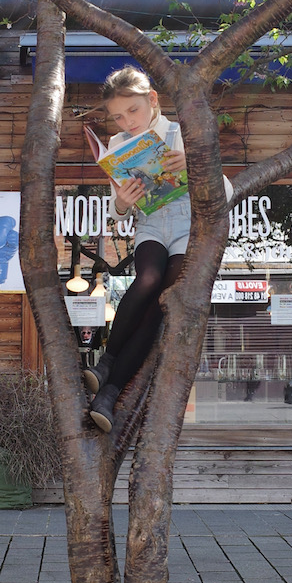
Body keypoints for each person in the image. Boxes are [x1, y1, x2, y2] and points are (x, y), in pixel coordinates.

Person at [84, 67, 229, 432]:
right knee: (147, 279)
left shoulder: (183, 135)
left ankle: (108, 387)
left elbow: (226, 193)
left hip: (186, 227)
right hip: (151, 224)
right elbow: (118, 216)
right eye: (118, 116)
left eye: (132, 110)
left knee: (163, 302)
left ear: (152, 100)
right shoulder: (119, 146)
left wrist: (198, 167)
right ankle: (107, 364)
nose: (126, 121)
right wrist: (120, 201)